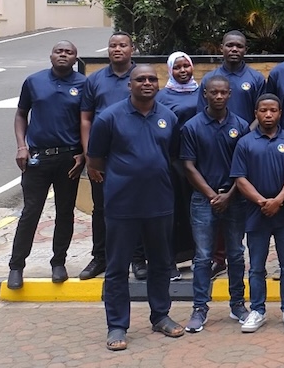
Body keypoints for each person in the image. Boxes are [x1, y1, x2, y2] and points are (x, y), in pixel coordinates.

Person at [87, 64, 185, 350]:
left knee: (161, 264)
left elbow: (172, 156)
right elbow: (95, 161)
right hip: (121, 205)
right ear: (129, 85)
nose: (146, 83)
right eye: (140, 79)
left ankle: (160, 316)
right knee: (117, 268)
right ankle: (117, 325)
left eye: (152, 79)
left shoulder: (168, 117)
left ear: (159, 84)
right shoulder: (109, 118)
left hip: (160, 203)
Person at [8, 41, 86, 290]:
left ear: (76, 59)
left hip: (69, 159)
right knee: (30, 212)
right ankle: (16, 266)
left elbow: (88, 121)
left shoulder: (84, 85)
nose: (63, 55)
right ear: (51, 55)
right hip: (37, 158)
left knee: (65, 213)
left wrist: (84, 154)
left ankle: (58, 263)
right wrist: (22, 146)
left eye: (69, 52)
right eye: (59, 51)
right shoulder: (34, 81)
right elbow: (21, 114)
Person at [180, 76, 251, 332]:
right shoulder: (192, 126)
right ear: (205, 94)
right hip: (203, 199)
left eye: (223, 92)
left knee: (235, 254)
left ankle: (238, 305)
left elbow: (244, 166)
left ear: (230, 94)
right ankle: (199, 308)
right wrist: (212, 195)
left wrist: (229, 195)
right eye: (214, 93)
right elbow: (188, 166)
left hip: (235, 198)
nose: (219, 96)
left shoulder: (241, 125)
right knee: (202, 257)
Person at [231, 94, 284, 334]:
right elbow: (240, 178)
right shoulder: (245, 142)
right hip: (256, 213)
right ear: (256, 113)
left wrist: (279, 200)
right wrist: (262, 201)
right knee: (257, 267)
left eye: (273, 110)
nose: (268, 114)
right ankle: (258, 310)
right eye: (263, 110)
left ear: (280, 112)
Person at [78, 32, 136, 281]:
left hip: (134, 156)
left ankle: (138, 258)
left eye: (123, 45)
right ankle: (100, 257)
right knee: (101, 208)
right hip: (103, 157)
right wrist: (91, 157)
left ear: (132, 49)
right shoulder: (95, 80)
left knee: (138, 207)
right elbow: (85, 119)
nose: (117, 49)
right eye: (113, 46)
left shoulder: (140, 77)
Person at [156, 51, 202, 281]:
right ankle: (170, 260)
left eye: (186, 66)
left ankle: (198, 257)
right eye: (178, 67)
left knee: (197, 211)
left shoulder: (201, 92)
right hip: (172, 162)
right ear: (170, 70)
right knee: (173, 212)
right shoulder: (162, 97)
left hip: (199, 161)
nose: (183, 71)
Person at [202, 31, 266, 118]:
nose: (234, 49)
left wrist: (247, 131)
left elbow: (262, 113)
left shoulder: (257, 79)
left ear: (245, 50)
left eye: (239, 46)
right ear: (221, 48)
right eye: (229, 45)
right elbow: (201, 114)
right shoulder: (208, 79)